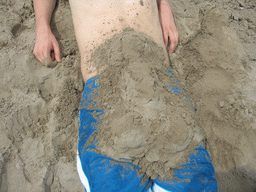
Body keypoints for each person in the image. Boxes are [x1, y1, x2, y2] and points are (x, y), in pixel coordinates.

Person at [33, 0, 218, 191]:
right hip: (105, 85)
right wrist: (42, 26)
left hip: (159, 79)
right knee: (115, 183)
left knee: (195, 180)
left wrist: (164, 6)